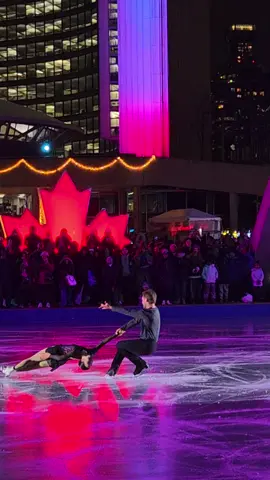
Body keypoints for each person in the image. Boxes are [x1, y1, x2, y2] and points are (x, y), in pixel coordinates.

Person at [99, 289, 160, 376]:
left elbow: (128, 311)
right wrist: (123, 328)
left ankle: (140, 363)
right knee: (122, 347)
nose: (142, 302)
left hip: (147, 344)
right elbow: (136, 320)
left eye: (142, 300)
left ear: (146, 300)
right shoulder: (154, 310)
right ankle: (112, 370)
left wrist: (111, 307)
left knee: (120, 345)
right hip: (151, 345)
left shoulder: (145, 313)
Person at [0, 343, 96, 377]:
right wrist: (112, 335)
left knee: (31, 360)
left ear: (82, 361)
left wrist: (50, 355)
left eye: (88, 363)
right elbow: (103, 342)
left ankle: (11, 369)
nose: (91, 361)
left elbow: (61, 357)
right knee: (32, 366)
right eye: (90, 363)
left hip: (54, 354)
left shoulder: (75, 352)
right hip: (56, 360)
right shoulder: (90, 352)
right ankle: (11, 370)